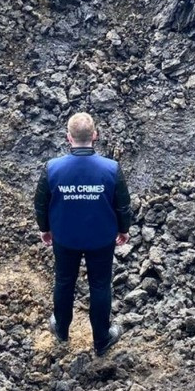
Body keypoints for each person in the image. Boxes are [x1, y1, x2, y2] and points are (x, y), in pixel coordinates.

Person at [34, 112, 132, 356]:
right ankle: (101, 339)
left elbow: (40, 203)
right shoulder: (111, 169)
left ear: (69, 137)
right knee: (100, 285)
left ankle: (61, 329)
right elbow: (123, 204)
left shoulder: (52, 168)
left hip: (65, 238)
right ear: (95, 136)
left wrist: (44, 229)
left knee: (64, 281)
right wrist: (124, 229)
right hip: (101, 238)